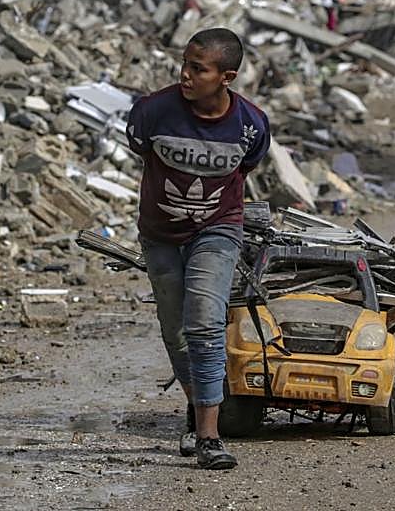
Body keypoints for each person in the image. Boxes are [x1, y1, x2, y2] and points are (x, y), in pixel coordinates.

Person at [125, 28, 271, 471]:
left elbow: (246, 167)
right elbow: (140, 152)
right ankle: (197, 403)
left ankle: (209, 436)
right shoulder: (153, 112)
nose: (185, 75)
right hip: (160, 234)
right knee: (175, 331)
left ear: (226, 77)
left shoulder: (250, 125)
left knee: (205, 323)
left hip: (219, 228)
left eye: (198, 68)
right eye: (184, 64)